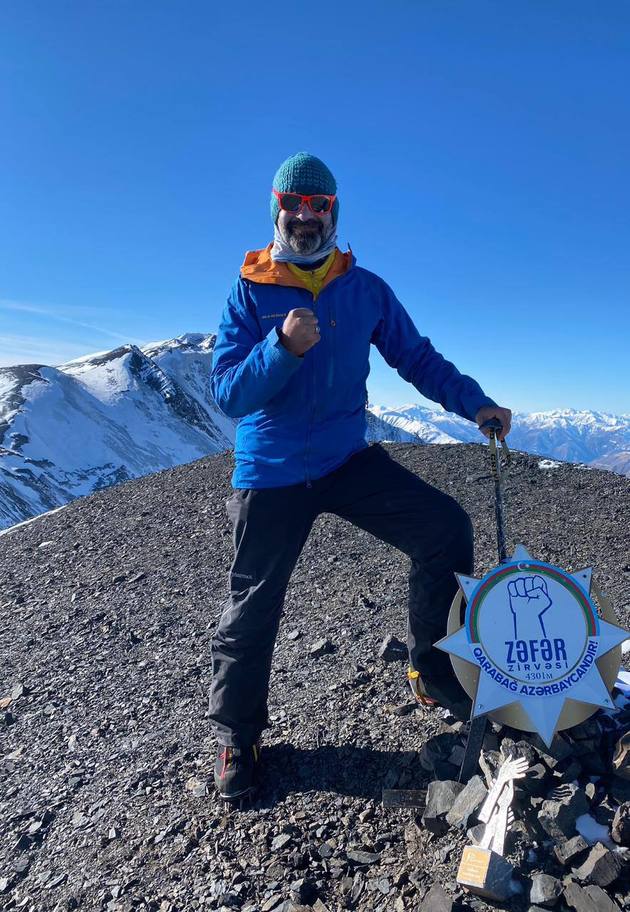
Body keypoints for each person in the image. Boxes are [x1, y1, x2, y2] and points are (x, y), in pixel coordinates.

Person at [209, 152, 512, 800]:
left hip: (345, 458)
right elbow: (229, 394)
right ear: (275, 210)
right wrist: (280, 348)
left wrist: (475, 403)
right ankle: (238, 734)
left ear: (334, 212)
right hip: (271, 469)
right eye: (293, 204)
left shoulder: (365, 288)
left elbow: (416, 358)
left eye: (318, 205)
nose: (305, 216)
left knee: (443, 529)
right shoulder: (250, 290)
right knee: (253, 604)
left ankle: (432, 672)